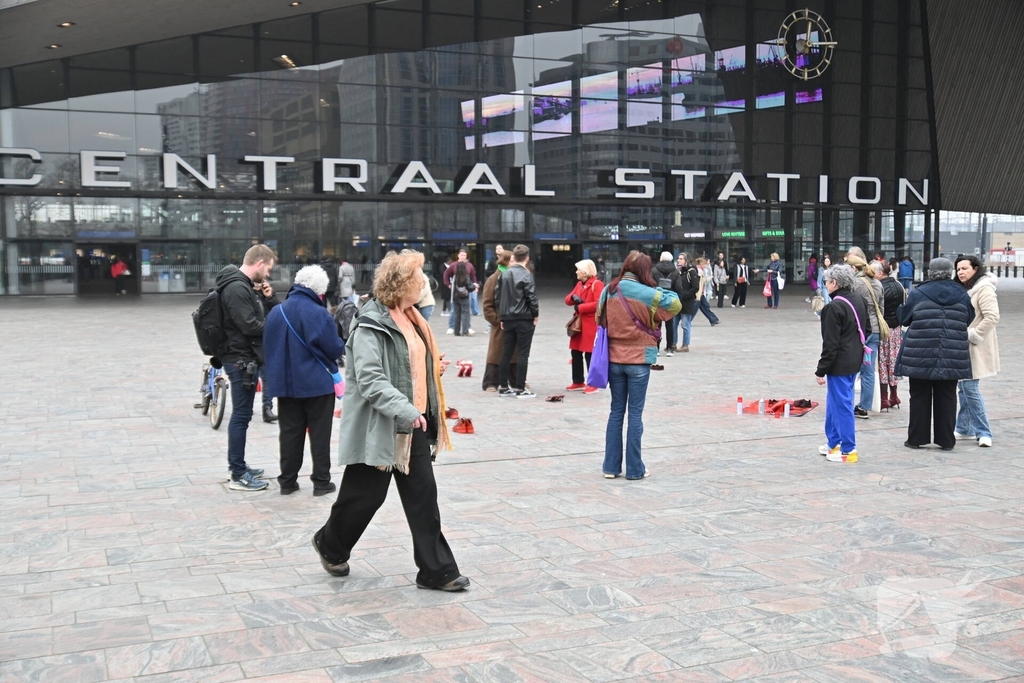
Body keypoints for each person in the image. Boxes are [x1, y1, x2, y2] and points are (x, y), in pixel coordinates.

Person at [312, 249, 468, 591]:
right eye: (418, 278)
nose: (424, 283)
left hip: (413, 428)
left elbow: (409, 362)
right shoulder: (371, 324)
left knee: (423, 496)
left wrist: (431, 368)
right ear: (401, 284)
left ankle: (436, 570)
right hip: (381, 427)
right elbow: (370, 379)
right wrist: (406, 409)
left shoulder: (413, 317)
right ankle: (331, 544)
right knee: (364, 497)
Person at [263, 265, 345, 497]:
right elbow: (334, 347)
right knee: (320, 434)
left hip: (285, 385)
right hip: (317, 384)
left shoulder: (276, 312)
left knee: (289, 433)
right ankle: (321, 482)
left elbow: (266, 348)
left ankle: (287, 481)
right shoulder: (318, 313)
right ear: (320, 291)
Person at [599, 251, 681, 480]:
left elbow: (599, 319)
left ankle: (610, 467)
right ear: (645, 271)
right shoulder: (650, 294)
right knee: (635, 414)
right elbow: (675, 305)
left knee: (616, 412)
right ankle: (635, 469)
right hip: (639, 360)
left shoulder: (608, 290)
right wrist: (660, 288)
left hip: (614, 359)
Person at [217, 244, 279, 492]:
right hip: (240, 359)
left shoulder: (241, 285)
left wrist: (264, 297)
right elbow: (249, 326)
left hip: (242, 357)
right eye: (268, 270)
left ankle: (240, 466)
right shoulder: (236, 287)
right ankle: (237, 473)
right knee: (241, 417)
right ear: (260, 262)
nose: (267, 276)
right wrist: (275, 327)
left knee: (242, 417)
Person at [896, 257, 974, 451]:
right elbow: (968, 319)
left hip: (919, 352)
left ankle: (916, 438)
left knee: (919, 395)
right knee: (947, 396)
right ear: (950, 272)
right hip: (952, 353)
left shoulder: (919, 293)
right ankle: (946, 440)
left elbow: (905, 319)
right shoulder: (963, 294)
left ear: (929, 272)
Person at [815, 265, 869, 463]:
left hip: (840, 363)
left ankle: (848, 449)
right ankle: (834, 442)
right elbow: (868, 329)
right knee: (834, 403)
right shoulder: (858, 300)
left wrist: (821, 370)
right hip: (854, 359)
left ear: (834, 283)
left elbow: (830, 344)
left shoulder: (833, 307)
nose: (825, 285)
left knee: (842, 405)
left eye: (826, 281)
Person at [954, 255, 999, 448]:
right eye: (958, 269)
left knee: (970, 388)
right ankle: (964, 428)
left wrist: (972, 334)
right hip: (964, 345)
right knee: (964, 387)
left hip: (976, 345)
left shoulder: (984, 288)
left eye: (965, 268)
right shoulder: (965, 289)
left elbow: (992, 316)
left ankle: (984, 431)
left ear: (975, 268)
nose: (961, 272)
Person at [845, 249, 885, 419]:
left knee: (850, 366)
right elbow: (881, 309)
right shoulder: (878, 283)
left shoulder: (856, 284)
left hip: (861, 330)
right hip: (875, 330)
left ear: (854, 269)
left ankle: (846, 403)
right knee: (868, 370)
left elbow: (853, 308)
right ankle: (864, 406)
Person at [495, 245, 539, 398]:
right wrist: (535, 314)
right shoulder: (526, 275)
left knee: (506, 352)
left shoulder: (504, 274)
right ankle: (520, 387)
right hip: (524, 317)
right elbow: (531, 296)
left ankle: (503, 386)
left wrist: (502, 316)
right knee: (522, 353)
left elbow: (498, 297)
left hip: (507, 317)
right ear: (527, 258)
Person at [566, 258, 604, 392]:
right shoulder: (579, 284)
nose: (576, 272)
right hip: (579, 324)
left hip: (590, 324)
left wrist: (580, 307)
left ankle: (593, 383)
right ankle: (578, 381)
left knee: (589, 354)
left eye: (579, 270)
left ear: (585, 272)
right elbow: (567, 300)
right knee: (575, 352)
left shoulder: (597, 284)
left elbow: (598, 304)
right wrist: (573, 298)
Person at [481, 251, 516, 391]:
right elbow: (487, 304)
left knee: (516, 352)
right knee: (496, 352)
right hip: (500, 322)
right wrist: (496, 320)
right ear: (506, 262)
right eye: (513, 261)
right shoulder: (493, 279)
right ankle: (491, 382)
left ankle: (515, 380)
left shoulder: (517, 276)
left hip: (514, 320)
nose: (515, 263)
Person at [877, 262, 906, 410]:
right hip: (897, 328)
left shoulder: (879, 287)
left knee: (882, 362)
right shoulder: (899, 285)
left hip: (884, 328)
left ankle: (883, 398)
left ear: (880, 273)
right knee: (894, 360)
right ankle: (894, 395)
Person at [651, 252, 682, 354]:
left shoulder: (654, 270)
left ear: (661, 258)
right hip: (670, 300)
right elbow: (678, 288)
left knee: (657, 325)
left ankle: (657, 348)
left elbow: (650, 284)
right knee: (670, 325)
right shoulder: (676, 272)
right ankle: (669, 349)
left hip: (657, 300)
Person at [443, 249, 477, 335]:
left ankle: (463, 329)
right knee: (456, 311)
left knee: (461, 311)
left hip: (463, 292)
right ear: (458, 255)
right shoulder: (453, 265)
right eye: (461, 255)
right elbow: (446, 274)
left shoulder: (469, 266)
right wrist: (448, 284)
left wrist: (475, 285)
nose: (463, 257)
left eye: (464, 255)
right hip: (458, 292)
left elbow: (473, 277)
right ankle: (452, 326)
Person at [673, 252, 700, 352]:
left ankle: (685, 345)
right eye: (678, 259)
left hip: (687, 302)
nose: (679, 260)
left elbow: (695, 287)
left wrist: (686, 295)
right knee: (673, 324)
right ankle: (673, 343)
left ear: (686, 260)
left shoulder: (691, 271)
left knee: (685, 324)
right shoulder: (678, 272)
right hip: (677, 301)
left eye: (681, 259)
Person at [450, 261, 475, 336]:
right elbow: (471, 288)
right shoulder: (466, 277)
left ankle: (456, 332)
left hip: (456, 297)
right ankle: (465, 331)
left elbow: (453, 288)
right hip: (464, 297)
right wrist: (474, 286)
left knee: (457, 314)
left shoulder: (455, 277)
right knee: (465, 314)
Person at [694, 258, 721, 325]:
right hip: (698, 293)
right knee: (694, 309)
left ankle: (713, 319)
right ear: (701, 263)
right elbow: (703, 280)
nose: (705, 265)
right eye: (704, 264)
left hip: (701, 293)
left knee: (705, 307)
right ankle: (687, 320)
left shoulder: (700, 269)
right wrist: (710, 278)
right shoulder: (699, 270)